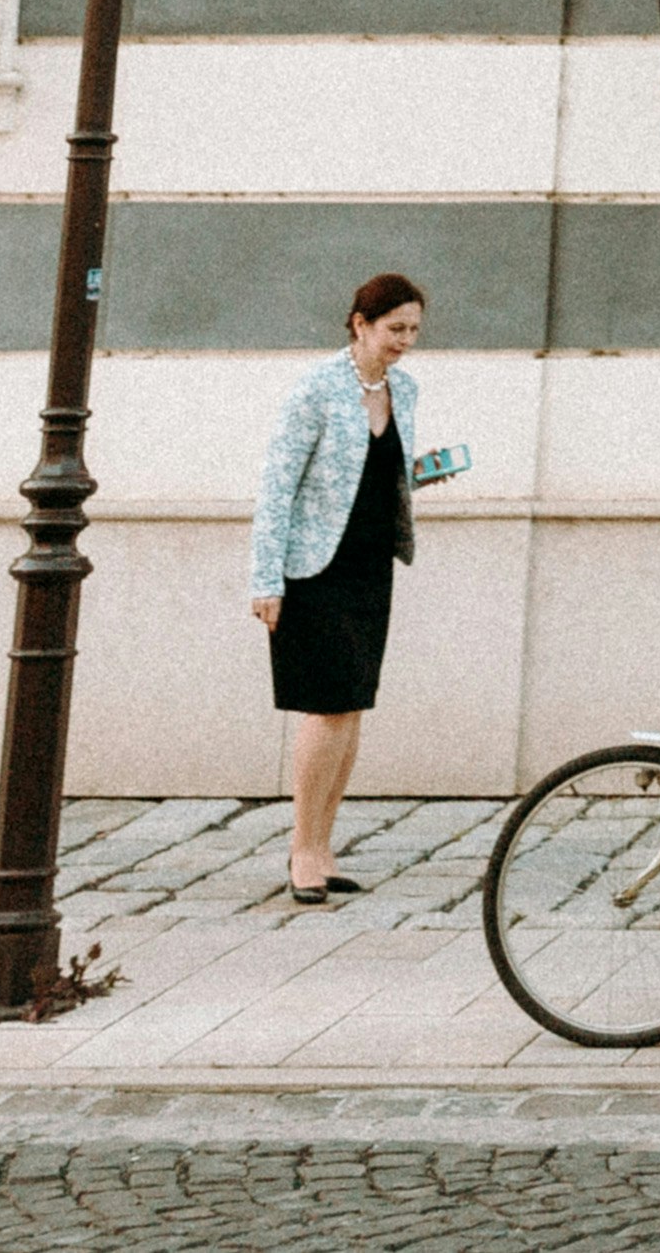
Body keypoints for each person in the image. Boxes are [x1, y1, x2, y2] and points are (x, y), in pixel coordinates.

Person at [246, 269, 429, 906]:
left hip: (369, 566)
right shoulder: (317, 389)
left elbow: (381, 471)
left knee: (351, 709)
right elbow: (277, 487)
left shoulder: (403, 390)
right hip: (311, 570)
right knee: (324, 710)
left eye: (413, 330)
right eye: (395, 328)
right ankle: (302, 849)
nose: (405, 340)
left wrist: (420, 475)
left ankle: (324, 848)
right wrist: (266, 579)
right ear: (360, 324)